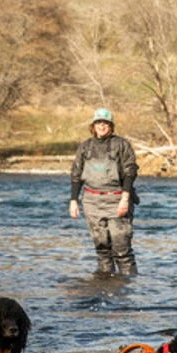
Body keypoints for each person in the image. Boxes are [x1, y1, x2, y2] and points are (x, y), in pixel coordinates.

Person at [69, 108, 139, 276]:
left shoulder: (122, 145)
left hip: (116, 199)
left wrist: (125, 198)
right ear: (93, 125)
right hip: (91, 201)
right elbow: (76, 174)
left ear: (111, 126)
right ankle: (103, 287)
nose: (102, 126)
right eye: (99, 122)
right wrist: (73, 200)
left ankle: (127, 290)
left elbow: (130, 171)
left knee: (122, 250)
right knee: (102, 249)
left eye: (105, 123)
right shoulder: (85, 147)